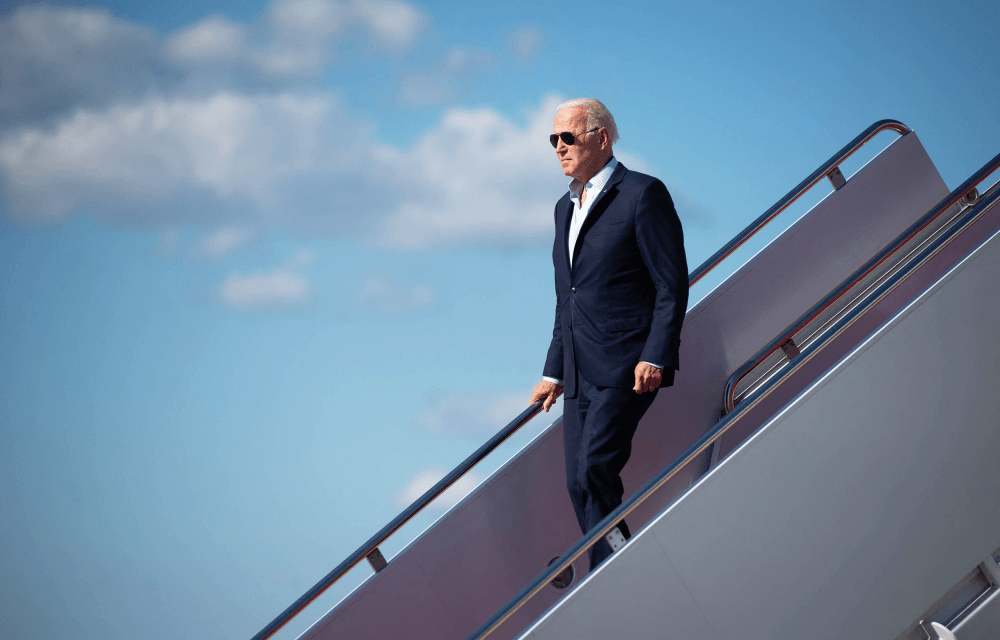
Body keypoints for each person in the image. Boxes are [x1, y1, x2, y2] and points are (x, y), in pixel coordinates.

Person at [529, 98, 688, 570]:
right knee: (577, 483)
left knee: (595, 469)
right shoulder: (563, 209)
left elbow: (671, 283)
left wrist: (655, 355)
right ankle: (617, 567)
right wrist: (553, 372)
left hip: (626, 365)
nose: (559, 147)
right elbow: (568, 299)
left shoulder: (642, 193)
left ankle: (617, 573)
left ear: (601, 137)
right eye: (553, 140)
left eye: (568, 137)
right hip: (578, 373)